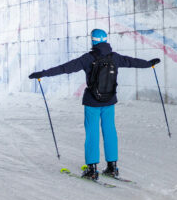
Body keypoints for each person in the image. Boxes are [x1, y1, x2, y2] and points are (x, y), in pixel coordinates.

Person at [29, 28, 160, 180]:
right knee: (110, 131)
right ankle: (112, 167)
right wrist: (149, 64)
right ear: (105, 40)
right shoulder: (115, 57)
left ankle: (92, 169)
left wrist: (43, 73)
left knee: (92, 133)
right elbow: (132, 62)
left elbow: (65, 68)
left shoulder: (88, 58)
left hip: (92, 101)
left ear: (92, 40)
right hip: (109, 100)